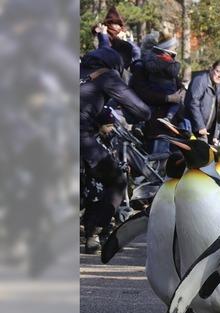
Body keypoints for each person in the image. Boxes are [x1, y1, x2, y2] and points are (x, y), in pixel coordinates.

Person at [80, 47, 151, 253]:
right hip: (80, 137)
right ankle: (93, 234)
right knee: (116, 180)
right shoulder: (107, 76)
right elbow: (142, 110)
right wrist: (129, 117)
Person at [185, 60, 220, 145]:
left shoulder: (218, 88)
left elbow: (216, 113)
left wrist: (215, 134)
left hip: (205, 131)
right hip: (192, 128)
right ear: (211, 69)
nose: (219, 76)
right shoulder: (200, 80)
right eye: (218, 71)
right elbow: (193, 103)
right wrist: (200, 126)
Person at [93, 6, 140, 72]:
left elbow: (137, 54)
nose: (117, 27)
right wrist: (104, 35)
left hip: (122, 71)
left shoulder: (123, 35)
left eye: (119, 25)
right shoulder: (102, 34)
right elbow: (104, 53)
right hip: (105, 71)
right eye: (115, 24)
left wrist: (128, 41)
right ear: (109, 24)